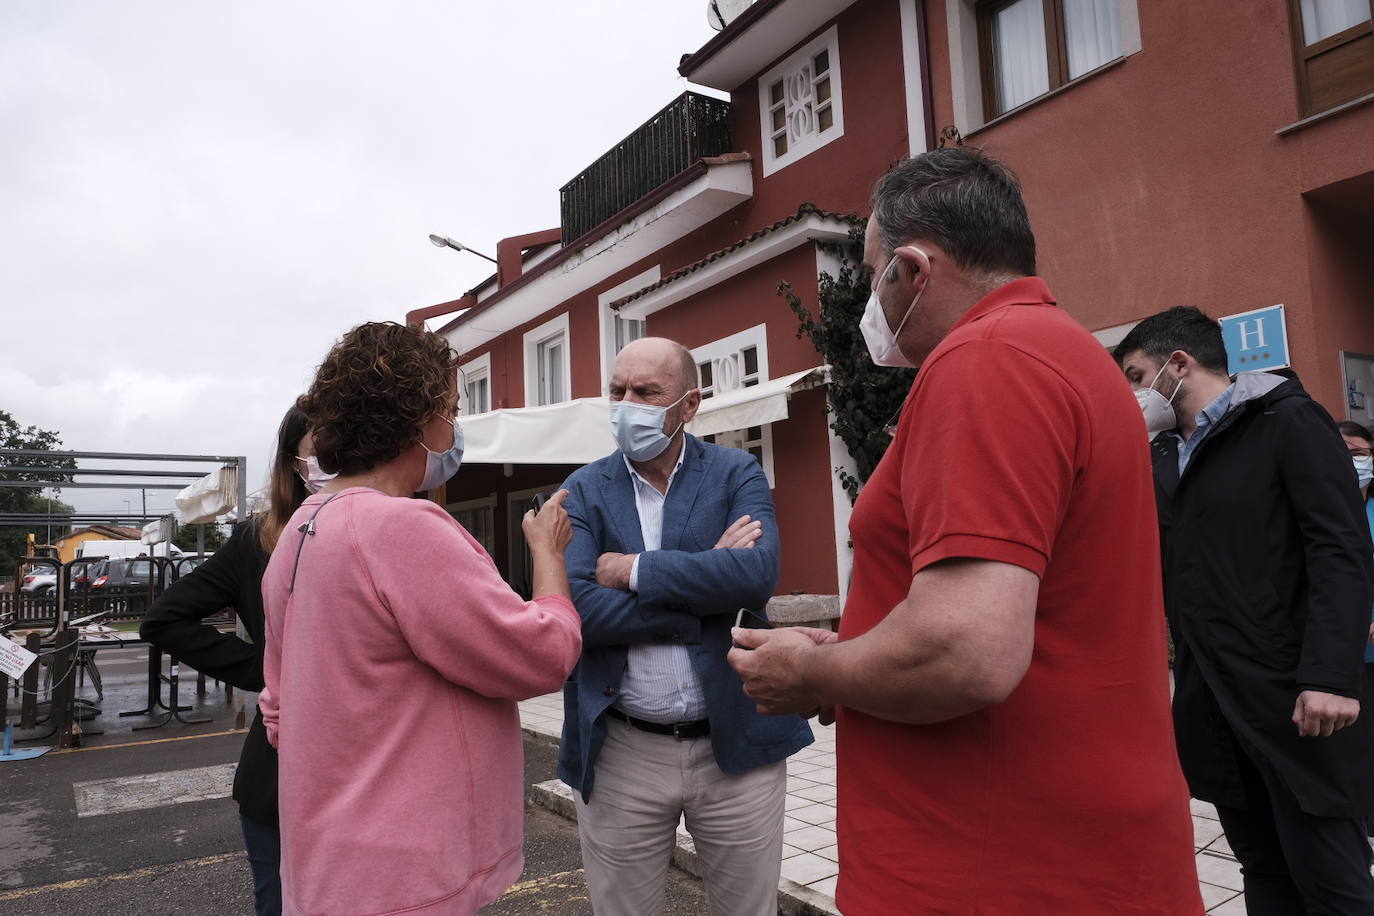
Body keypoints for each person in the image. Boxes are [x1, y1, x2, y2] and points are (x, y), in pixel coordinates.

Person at [726, 148, 1201, 914]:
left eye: (873, 275)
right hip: (1068, 849)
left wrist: (813, 676)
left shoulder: (985, 360)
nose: (867, 308)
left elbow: (966, 649)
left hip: (993, 863)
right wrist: (855, 655)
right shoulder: (1067, 354)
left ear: (913, 270)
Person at [259, 321, 583, 916]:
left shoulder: (300, 531)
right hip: (405, 873)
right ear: (417, 420)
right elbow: (541, 656)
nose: (454, 429)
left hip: (326, 864)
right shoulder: (401, 528)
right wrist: (548, 559)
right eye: (451, 409)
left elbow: (277, 709)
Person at [1115, 307, 1374, 914]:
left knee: (1332, 880)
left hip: (1296, 700)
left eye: (1135, 374)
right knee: (1262, 869)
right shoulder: (1163, 457)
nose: (1131, 394)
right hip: (1215, 703)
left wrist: (1329, 676)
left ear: (1178, 364)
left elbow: (1340, 548)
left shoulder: (1286, 422)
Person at [557, 336, 812, 916]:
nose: (627, 405)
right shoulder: (582, 490)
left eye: (646, 393)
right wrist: (704, 592)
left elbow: (756, 575)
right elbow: (581, 612)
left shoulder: (735, 471)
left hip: (736, 743)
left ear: (689, 405)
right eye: (617, 391)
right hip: (622, 748)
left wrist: (634, 570)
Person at [141, 404, 327, 916]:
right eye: (321, 448)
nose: (336, 459)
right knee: (281, 901)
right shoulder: (259, 539)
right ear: (293, 462)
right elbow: (163, 619)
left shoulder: (383, 526)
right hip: (278, 771)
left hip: (364, 774)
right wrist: (263, 668)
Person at [1338, 420, 1374, 674]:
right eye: (1341, 454)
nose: (1350, 462)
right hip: (1336, 655)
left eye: (1358, 454)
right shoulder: (1311, 513)